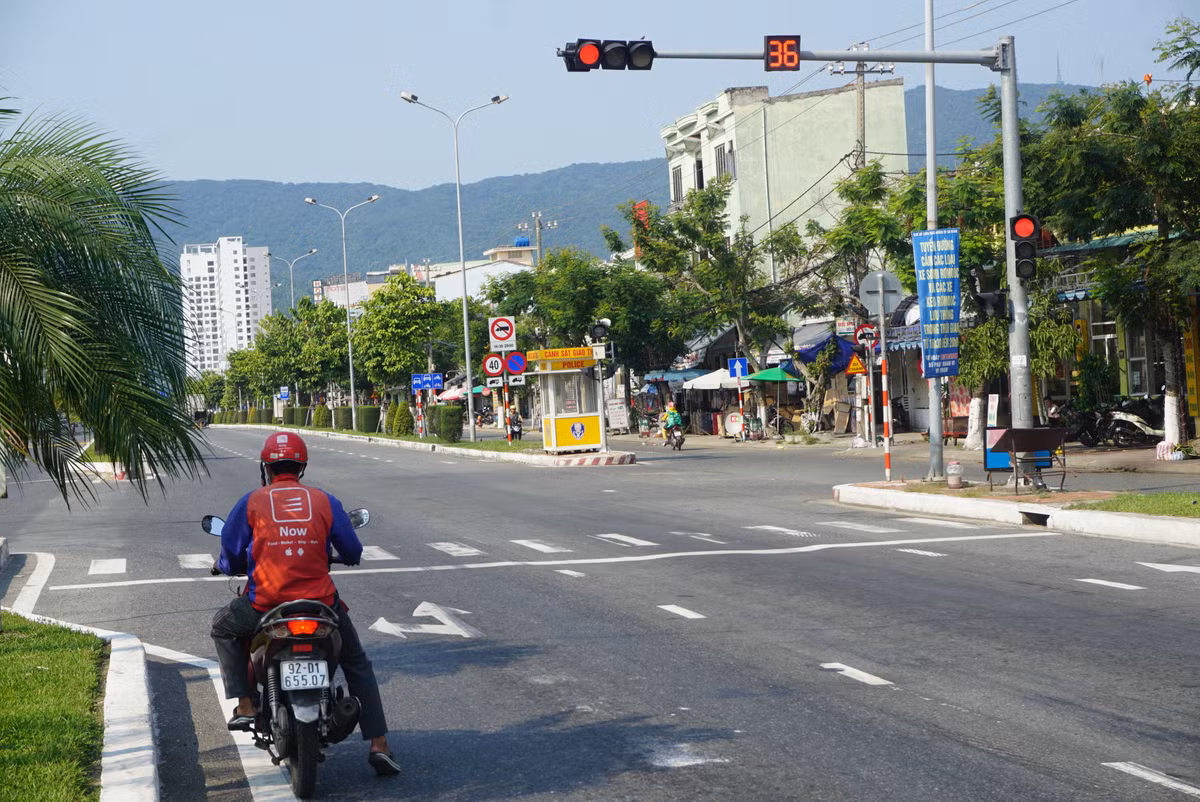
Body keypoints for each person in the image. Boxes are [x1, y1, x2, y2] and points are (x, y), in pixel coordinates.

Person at [210, 431, 401, 777]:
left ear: (266, 467)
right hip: (321, 606)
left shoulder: (252, 501)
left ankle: (247, 704)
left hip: (264, 604)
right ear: (302, 466)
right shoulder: (324, 500)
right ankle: (379, 744)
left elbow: (232, 552)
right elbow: (353, 551)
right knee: (356, 663)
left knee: (222, 628)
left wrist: (225, 566)